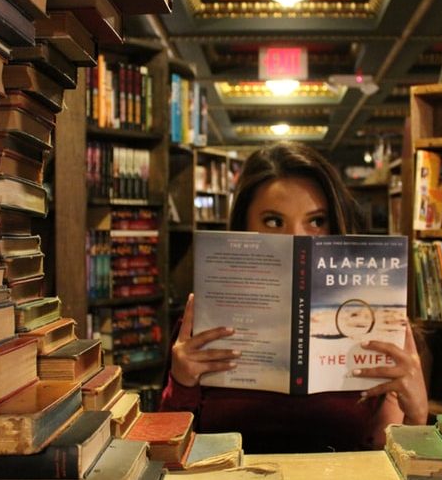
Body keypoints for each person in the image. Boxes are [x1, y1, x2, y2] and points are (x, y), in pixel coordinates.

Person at [159, 141, 428, 453]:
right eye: (274, 221)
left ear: (335, 225)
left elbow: (388, 456)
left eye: (316, 221)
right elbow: (166, 450)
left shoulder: (377, 322)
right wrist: (181, 383)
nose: (296, 239)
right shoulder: (200, 326)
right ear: (244, 228)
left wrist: (417, 415)